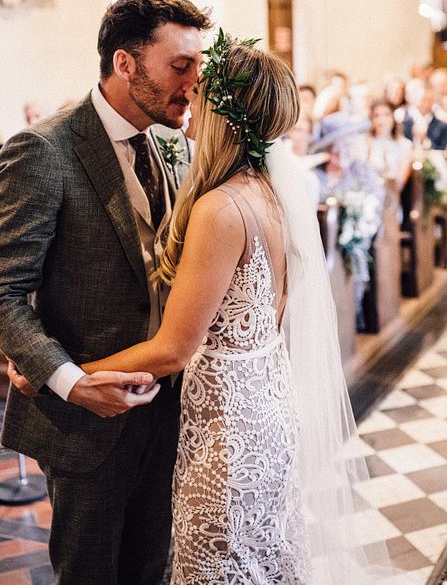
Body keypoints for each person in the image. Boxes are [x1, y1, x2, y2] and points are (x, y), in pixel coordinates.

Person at [77, 35, 393, 583]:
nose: (189, 99)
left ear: (225, 110)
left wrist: (69, 376)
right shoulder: (267, 192)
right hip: (266, 413)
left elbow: (175, 348)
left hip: (228, 438)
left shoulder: (220, 209)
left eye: (201, 92)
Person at [0, 0, 211, 584]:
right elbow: (4, 291)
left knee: (151, 570)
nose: (194, 84)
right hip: (84, 421)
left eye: (198, 66)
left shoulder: (175, 143)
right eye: (180, 66)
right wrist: (71, 383)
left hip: (167, 408)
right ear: (125, 63)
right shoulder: (44, 150)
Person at [352, 99, 413, 191]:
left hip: (391, 198)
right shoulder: (363, 141)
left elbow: (399, 184)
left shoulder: (405, 145)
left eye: (386, 115)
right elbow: (358, 175)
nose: (382, 120)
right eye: (376, 116)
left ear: (393, 117)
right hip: (365, 195)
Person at [402, 81, 447, 150]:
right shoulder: (403, 122)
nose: (426, 104)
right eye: (423, 99)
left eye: (430, 100)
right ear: (415, 99)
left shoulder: (443, 126)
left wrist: (425, 140)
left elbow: (442, 149)